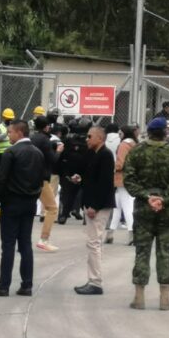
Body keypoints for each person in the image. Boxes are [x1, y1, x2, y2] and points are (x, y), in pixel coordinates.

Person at [122, 117, 169, 310]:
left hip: (144, 208)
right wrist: (164, 199)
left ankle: (139, 296)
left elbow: (129, 180)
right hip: (168, 210)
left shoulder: (137, 152)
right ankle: (164, 298)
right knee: (165, 252)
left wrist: (147, 196)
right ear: (165, 133)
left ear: (148, 132)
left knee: (142, 251)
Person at [0, 120, 45, 297]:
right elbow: (41, 180)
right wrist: (33, 196)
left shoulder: (10, 153)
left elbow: (1, 179)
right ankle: (26, 285)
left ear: (19, 133)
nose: (8, 135)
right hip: (29, 204)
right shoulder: (38, 154)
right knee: (25, 244)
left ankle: (4, 286)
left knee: (8, 245)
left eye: (11, 132)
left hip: (12, 203)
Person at [74, 126, 116, 296]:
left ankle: (96, 282)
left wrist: (94, 206)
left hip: (98, 205)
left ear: (100, 138)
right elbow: (91, 178)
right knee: (92, 242)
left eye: (90, 136)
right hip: (91, 202)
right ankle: (92, 280)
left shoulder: (106, 155)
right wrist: (80, 179)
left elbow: (105, 184)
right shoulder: (93, 153)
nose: (87, 139)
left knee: (94, 243)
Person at [31, 116, 60, 252]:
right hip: (42, 179)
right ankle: (44, 239)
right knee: (52, 208)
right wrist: (58, 151)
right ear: (47, 126)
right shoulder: (45, 140)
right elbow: (53, 159)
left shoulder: (33, 138)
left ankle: (20, 240)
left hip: (29, 177)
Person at [56, 120, 91, 224]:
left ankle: (63, 216)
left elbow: (62, 155)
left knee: (68, 194)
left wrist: (63, 170)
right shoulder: (89, 140)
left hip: (70, 170)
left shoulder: (68, 139)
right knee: (86, 194)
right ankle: (86, 218)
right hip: (85, 170)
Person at [108, 124, 138, 245]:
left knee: (126, 205)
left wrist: (112, 168)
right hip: (133, 176)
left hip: (122, 177)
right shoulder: (135, 144)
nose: (119, 135)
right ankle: (110, 233)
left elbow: (120, 162)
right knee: (118, 205)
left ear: (125, 134)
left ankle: (132, 234)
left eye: (120, 133)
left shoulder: (123, 145)